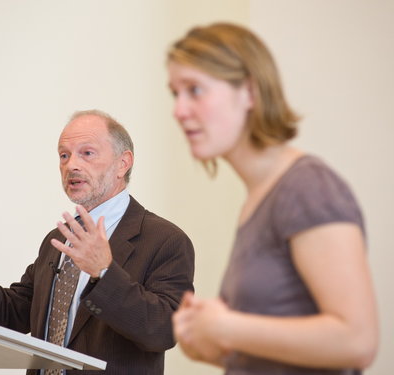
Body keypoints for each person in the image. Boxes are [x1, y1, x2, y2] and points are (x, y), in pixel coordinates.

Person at [167, 23, 378, 374]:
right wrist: (211, 345)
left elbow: (357, 340)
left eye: (195, 90)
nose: (179, 110)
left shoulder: (307, 187)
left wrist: (226, 327)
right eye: (175, 93)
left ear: (249, 92)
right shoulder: (258, 198)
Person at [0, 109, 195, 375]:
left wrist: (104, 272)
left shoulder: (165, 240)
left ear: (123, 163)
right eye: (64, 155)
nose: (71, 165)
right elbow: (11, 312)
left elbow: (164, 330)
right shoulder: (57, 240)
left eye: (86, 153)